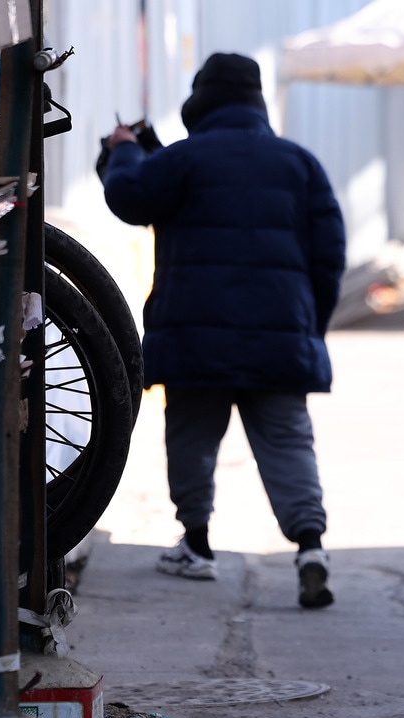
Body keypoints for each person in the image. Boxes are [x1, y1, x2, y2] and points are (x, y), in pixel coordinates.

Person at [101, 52, 346, 609]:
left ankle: (197, 543)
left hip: (195, 341)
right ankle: (310, 546)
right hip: (281, 337)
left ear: (201, 101)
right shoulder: (299, 163)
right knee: (287, 442)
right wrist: (310, 329)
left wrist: (123, 151)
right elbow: (330, 258)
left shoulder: (184, 160)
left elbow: (130, 197)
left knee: (192, 437)